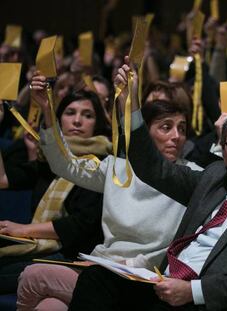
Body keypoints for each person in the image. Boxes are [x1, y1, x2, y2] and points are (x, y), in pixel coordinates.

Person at [69, 62, 227, 310]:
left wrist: (193, 291)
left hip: (209, 300)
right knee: (97, 280)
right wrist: (130, 104)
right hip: (166, 283)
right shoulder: (215, 176)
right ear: (224, 150)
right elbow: (154, 169)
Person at [16, 69, 201, 310]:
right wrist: (48, 110)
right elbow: (65, 165)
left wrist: (134, 263)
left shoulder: (193, 175)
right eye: (166, 127)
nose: (177, 136)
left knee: (34, 277)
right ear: (144, 134)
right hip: (102, 268)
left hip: (143, 281)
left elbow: (180, 244)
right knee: (48, 305)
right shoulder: (119, 168)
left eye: (182, 129)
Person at [0, 89, 109, 294]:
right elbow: (3, 180)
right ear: (58, 120)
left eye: (87, 115)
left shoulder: (102, 165)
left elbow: (80, 225)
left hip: (72, 256)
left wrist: (23, 230)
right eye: (70, 113)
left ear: (98, 124)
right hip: (38, 249)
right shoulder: (48, 161)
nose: (77, 121)